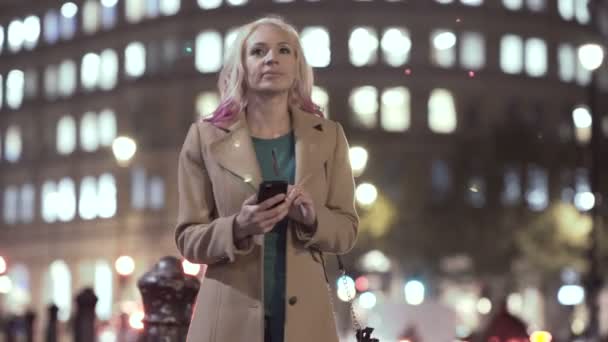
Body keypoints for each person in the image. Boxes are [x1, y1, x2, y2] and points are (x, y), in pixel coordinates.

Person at [175, 15, 359, 342]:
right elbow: (188, 238)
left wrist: (313, 218)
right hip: (227, 321)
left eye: (283, 50)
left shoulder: (329, 136)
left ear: (297, 66)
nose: (271, 58)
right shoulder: (204, 138)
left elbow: (346, 230)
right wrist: (238, 227)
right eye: (258, 51)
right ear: (242, 66)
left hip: (306, 323)